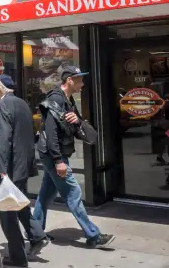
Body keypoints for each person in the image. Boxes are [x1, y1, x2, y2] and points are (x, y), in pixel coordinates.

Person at [33, 66, 115, 249]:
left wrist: (78, 120)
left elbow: (77, 125)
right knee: (73, 192)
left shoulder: (67, 100)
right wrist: (58, 161)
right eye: (80, 80)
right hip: (55, 155)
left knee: (46, 195)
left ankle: (35, 233)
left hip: (57, 154)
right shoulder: (55, 99)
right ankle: (93, 235)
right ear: (69, 80)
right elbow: (51, 132)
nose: (82, 84)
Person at [0, 74, 48, 268]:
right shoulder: (23, 104)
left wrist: (3, 170)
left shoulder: (3, 105)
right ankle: (37, 235)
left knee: (6, 212)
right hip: (22, 166)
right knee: (19, 205)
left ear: (0, 88)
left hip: (10, 167)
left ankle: (17, 256)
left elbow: (4, 139)